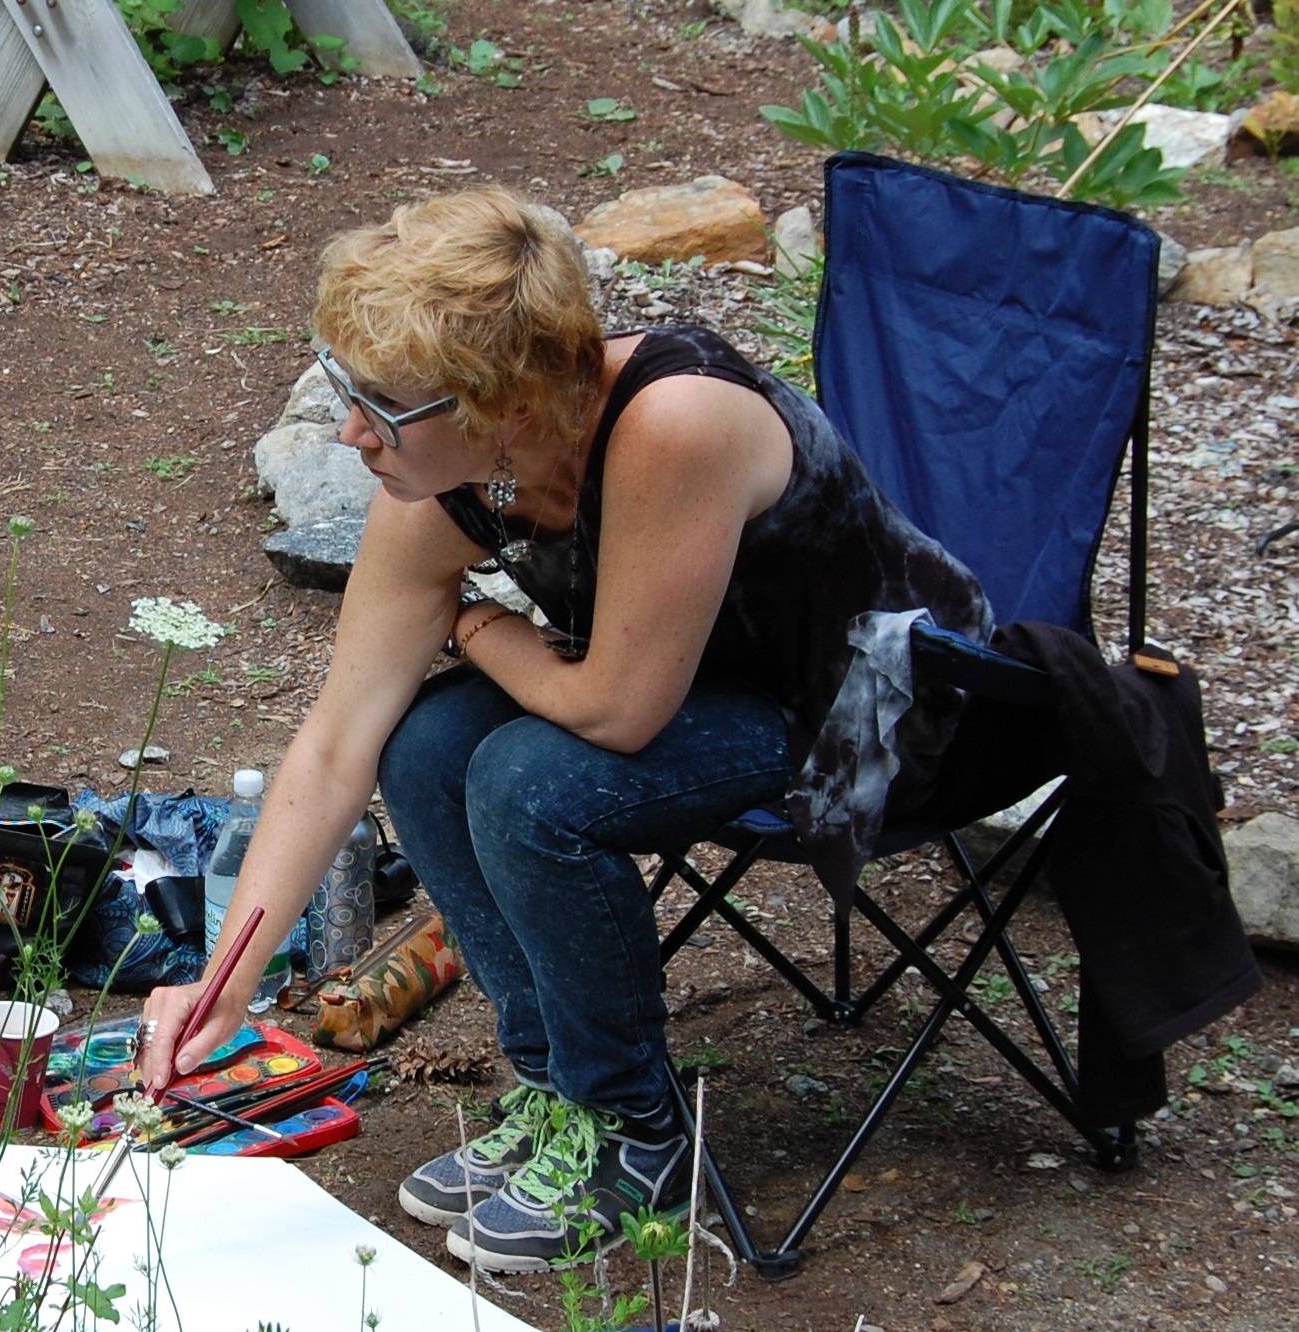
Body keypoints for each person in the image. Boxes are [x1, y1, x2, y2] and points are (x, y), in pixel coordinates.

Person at [139, 189, 991, 1273]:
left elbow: (613, 710)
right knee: (420, 743)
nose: (352, 432)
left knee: (529, 779)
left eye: (383, 407)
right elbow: (334, 743)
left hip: (870, 709)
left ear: (507, 404)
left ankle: (632, 1127)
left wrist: (480, 625)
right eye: (345, 389)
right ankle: (554, 1094)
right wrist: (223, 985)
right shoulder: (444, 482)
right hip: (701, 684)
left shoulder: (671, 422)